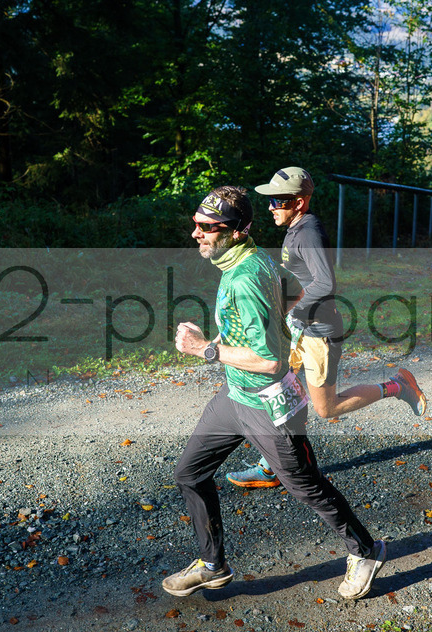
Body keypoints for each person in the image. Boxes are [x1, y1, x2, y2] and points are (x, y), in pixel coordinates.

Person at [163, 185, 386, 600]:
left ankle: (367, 551)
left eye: (207, 227)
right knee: (189, 473)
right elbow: (289, 297)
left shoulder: (246, 276)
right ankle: (213, 565)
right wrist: (232, 334)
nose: (196, 233)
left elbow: (270, 362)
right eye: (196, 224)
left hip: (269, 406)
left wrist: (204, 348)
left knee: (307, 486)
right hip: (234, 398)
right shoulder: (249, 259)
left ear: (234, 230)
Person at [226, 167, 428, 488]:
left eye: (278, 201)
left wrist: (297, 311)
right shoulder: (296, 228)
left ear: (300, 203)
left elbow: (325, 282)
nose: (270, 207)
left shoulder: (307, 231)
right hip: (298, 328)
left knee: (326, 408)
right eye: (271, 200)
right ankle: (271, 465)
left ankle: (397, 386)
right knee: (278, 389)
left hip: (319, 331)